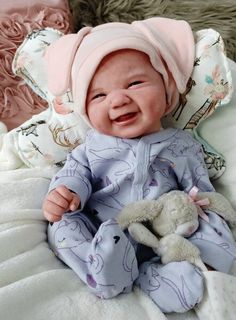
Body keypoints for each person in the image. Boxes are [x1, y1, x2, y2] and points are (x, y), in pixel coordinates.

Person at [42, 17, 236, 313]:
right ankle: (107, 272)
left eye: (134, 83)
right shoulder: (92, 147)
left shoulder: (182, 144)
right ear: (85, 110)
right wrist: (66, 193)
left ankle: (171, 278)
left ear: (167, 87)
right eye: (99, 95)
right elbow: (74, 174)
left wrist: (202, 216)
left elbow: (200, 190)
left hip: (166, 233)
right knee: (62, 228)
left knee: (215, 228)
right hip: (104, 232)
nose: (118, 100)